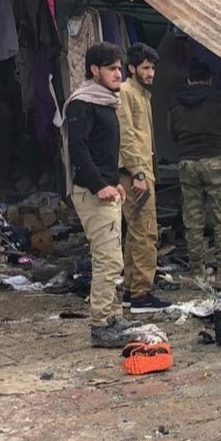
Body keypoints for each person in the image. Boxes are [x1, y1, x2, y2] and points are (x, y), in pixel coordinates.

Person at [64, 43, 131, 347]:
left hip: (106, 190)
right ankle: (101, 323)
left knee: (113, 258)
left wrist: (114, 181)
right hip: (93, 194)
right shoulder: (82, 103)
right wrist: (99, 185)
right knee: (108, 260)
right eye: (112, 68)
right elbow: (79, 151)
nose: (119, 73)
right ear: (94, 70)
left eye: (119, 68)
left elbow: (103, 151)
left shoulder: (105, 102)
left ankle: (114, 317)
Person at [169, 61, 221, 287]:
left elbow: (172, 134)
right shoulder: (218, 98)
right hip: (214, 161)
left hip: (187, 163)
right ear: (209, 79)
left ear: (189, 79)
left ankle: (197, 271)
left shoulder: (175, 101)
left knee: (193, 218)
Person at [117, 43, 169, 313]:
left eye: (153, 68)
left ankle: (131, 290)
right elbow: (126, 136)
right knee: (146, 232)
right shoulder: (126, 92)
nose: (151, 73)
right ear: (132, 67)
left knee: (136, 233)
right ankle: (141, 295)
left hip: (142, 171)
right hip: (135, 173)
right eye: (146, 68)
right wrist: (137, 172)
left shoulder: (140, 94)